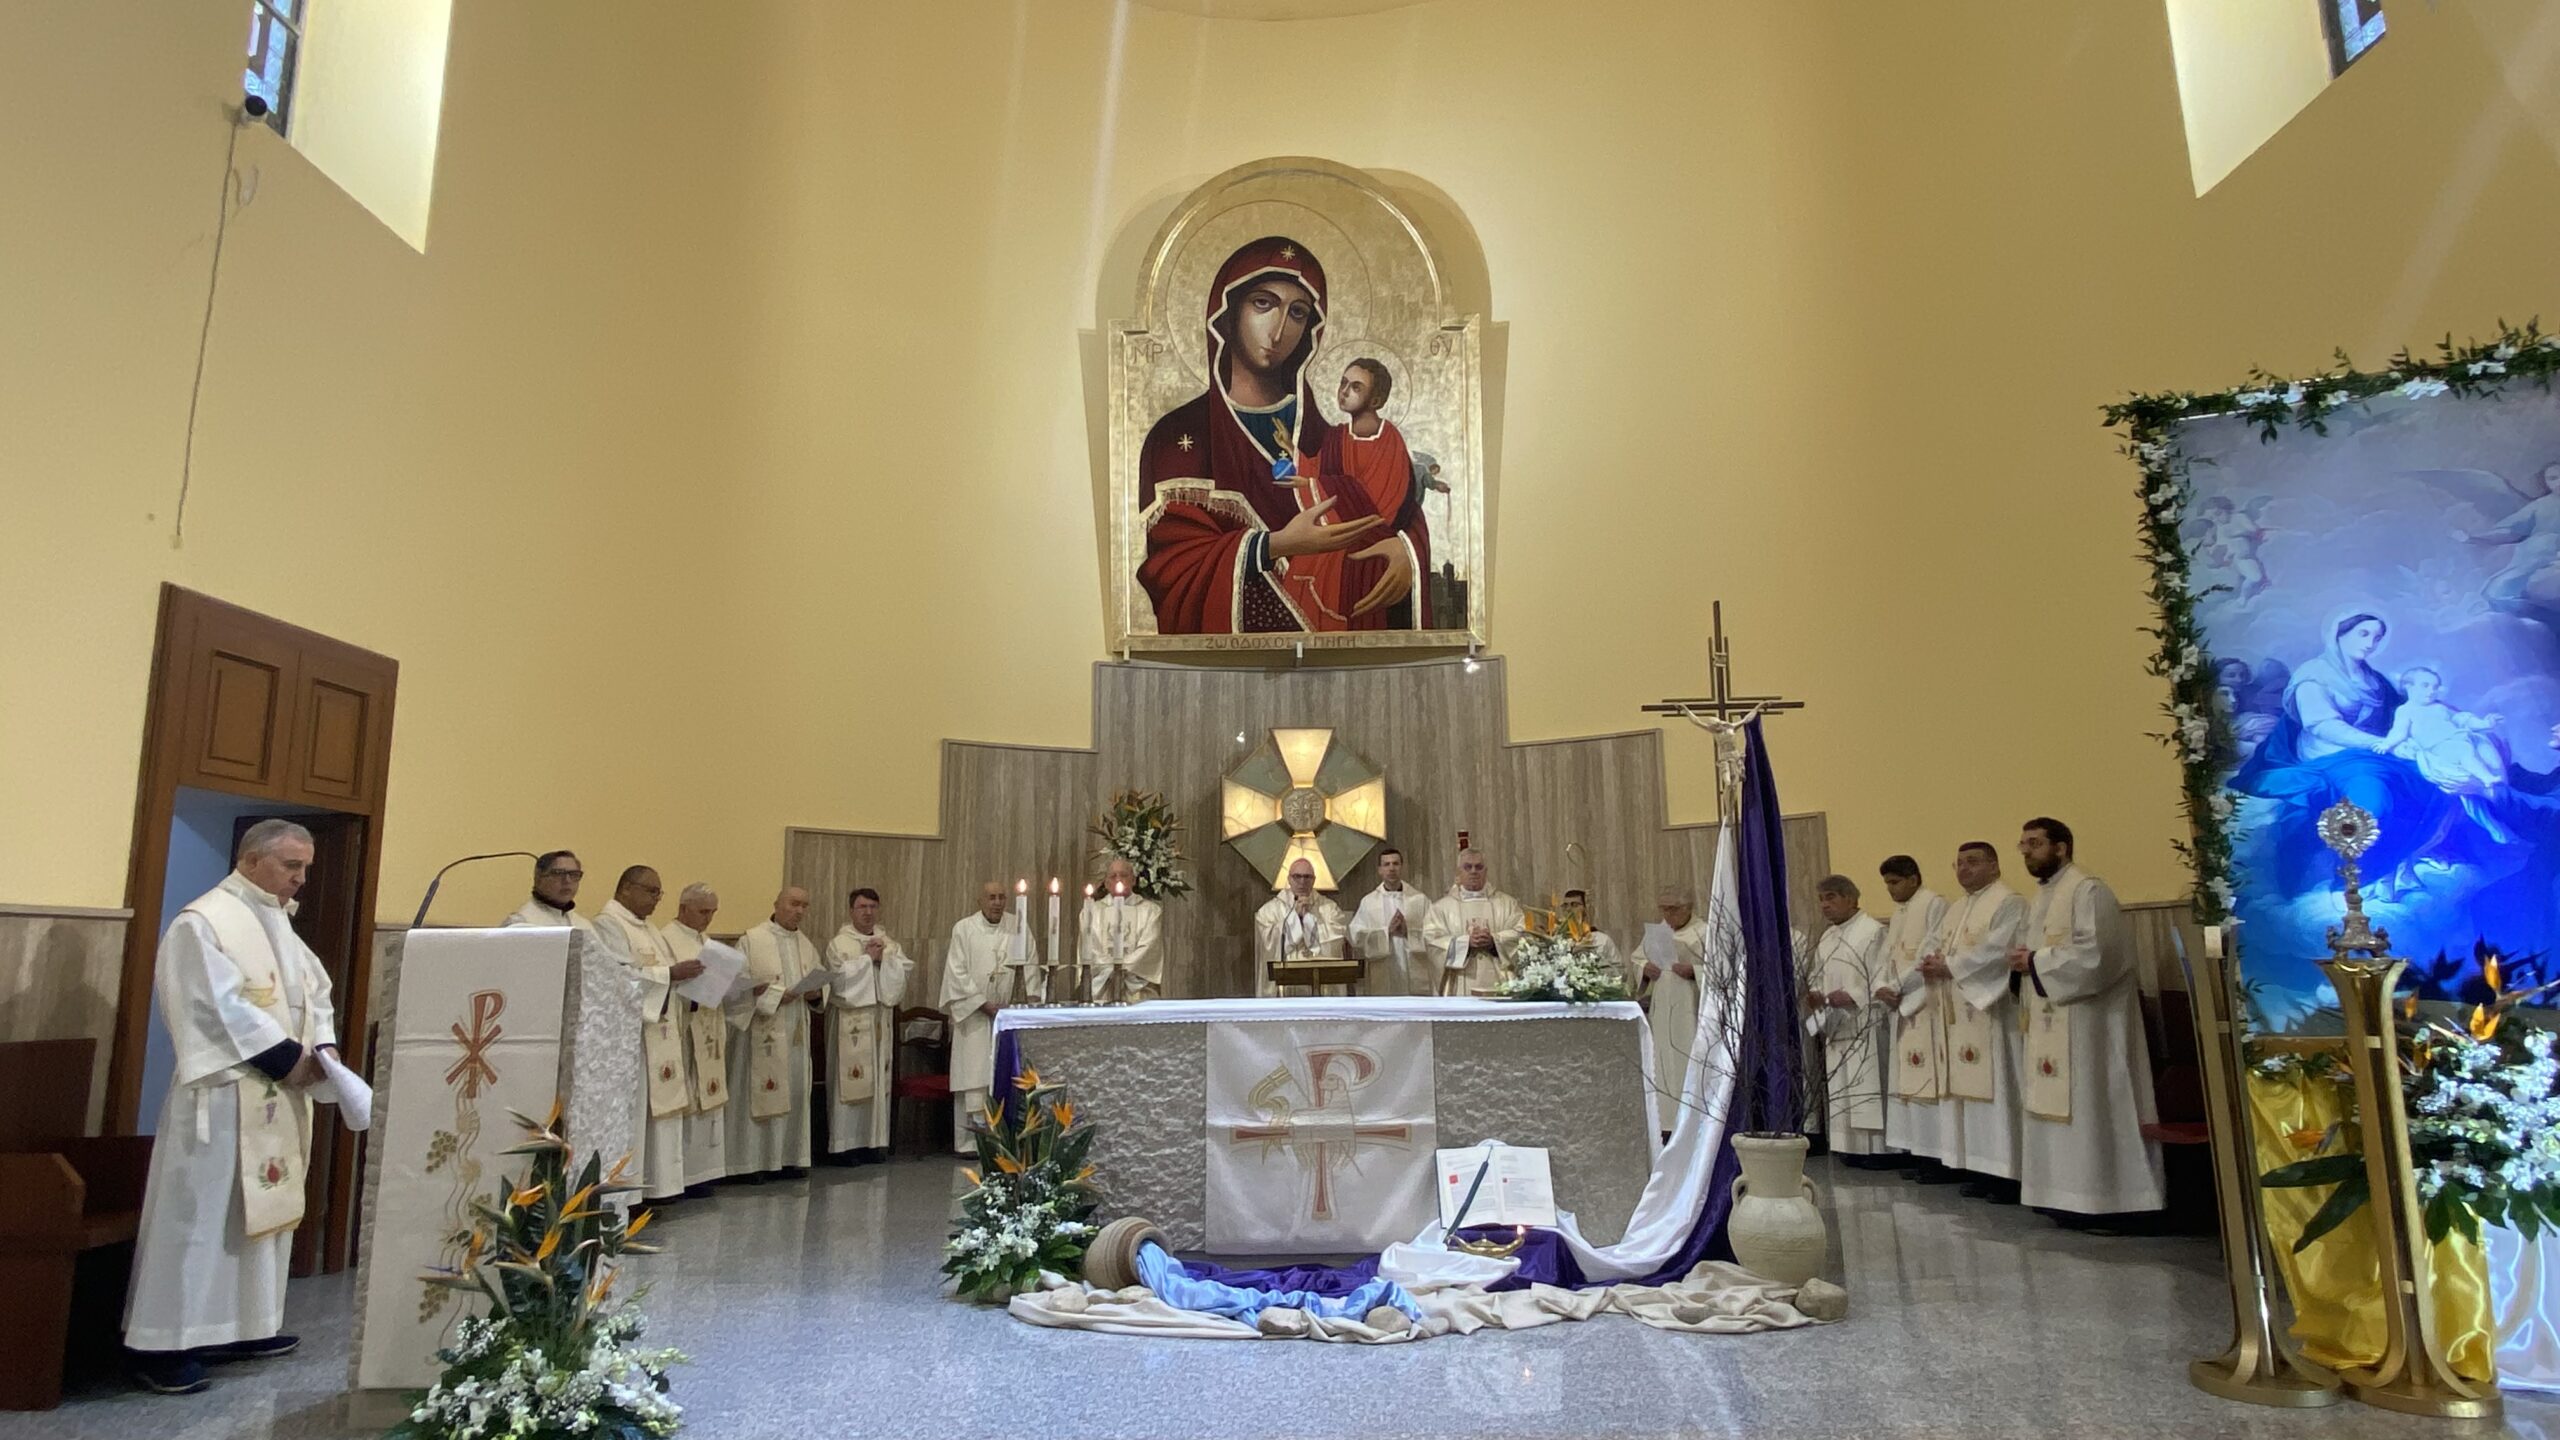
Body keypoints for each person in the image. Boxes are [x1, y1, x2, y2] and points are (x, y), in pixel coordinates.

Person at [123, 820, 340, 1396]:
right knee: (200, 1218)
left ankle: (242, 1325)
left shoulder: (277, 921)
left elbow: (316, 992)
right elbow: (210, 1006)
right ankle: (162, 1344)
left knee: (254, 1217)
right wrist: (287, 1059)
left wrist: (323, 1049)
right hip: (222, 1096)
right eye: (292, 866)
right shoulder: (204, 922)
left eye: (305, 868)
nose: (301, 879)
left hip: (273, 1091)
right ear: (249, 859)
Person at [1134, 236, 1431, 634]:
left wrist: (1405, 551)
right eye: (1263, 304)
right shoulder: (1180, 436)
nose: (1278, 330)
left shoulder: (1325, 438)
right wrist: (1274, 546)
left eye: (1297, 312)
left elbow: (1393, 504)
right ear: (1228, 311)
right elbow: (1171, 566)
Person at [2013, 818, 2166, 1221]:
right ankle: (2063, 1194)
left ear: (2062, 847)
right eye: (2023, 844)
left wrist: (2033, 961)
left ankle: (2108, 1199)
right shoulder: (2042, 897)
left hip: (2090, 1025)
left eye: (2035, 843)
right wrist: (2025, 963)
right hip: (2052, 1016)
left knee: (2093, 1102)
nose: (2026, 851)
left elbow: (2098, 955)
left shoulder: (2089, 890)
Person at [1920, 841, 2029, 1203]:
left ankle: (2007, 1173)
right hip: (1958, 1011)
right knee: (1967, 1093)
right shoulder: (1956, 909)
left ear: (1995, 865)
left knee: (1996, 1090)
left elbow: (1999, 950)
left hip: (1990, 1011)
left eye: (1973, 862)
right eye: (1959, 863)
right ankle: (1978, 1166)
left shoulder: (2009, 902)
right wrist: (1931, 962)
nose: (1964, 869)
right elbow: (1936, 945)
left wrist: (1950, 966)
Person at [590, 866, 703, 1204]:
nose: (656, 900)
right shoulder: (608, 924)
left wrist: (682, 976)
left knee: (659, 1112)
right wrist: (670, 973)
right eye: (651, 891)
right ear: (626, 888)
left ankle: (658, 1186)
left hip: (661, 1030)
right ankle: (631, 1194)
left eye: (659, 893)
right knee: (638, 1114)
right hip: (634, 1039)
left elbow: (660, 974)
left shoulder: (648, 928)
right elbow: (618, 978)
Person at [731, 886, 821, 1181]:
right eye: (794, 904)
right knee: (763, 1089)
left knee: (793, 1090)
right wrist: (772, 997)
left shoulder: (806, 944)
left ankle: (789, 1158)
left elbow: (820, 980)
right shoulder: (752, 940)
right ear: (777, 904)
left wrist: (816, 994)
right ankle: (753, 1164)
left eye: (805, 906)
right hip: (764, 1030)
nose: (800, 911)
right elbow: (738, 988)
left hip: (795, 1030)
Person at [1868, 855, 1949, 1171]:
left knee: (1927, 1077)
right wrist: (1880, 986)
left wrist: (1897, 986)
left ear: (1914, 878)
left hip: (1923, 1003)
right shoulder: (1900, 913)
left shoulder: (1934, 904)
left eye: (1895, 882)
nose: (1890, 889)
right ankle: (1915, 1148)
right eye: (1887, 883)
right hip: (1899, 1004)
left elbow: (1930, 952)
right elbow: (1884, 957)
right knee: (1907, 1081)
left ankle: (1935, 1154)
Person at [1804, 875, 1892, 1166]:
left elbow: (1883, 975)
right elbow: (1816, 972)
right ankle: (1847, 1146)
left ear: (1851, 899)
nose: (1825, 905)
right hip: (1835, 1022)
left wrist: (1854, 995)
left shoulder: (1873, 931)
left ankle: (1877, 1150)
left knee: (1866, 1082)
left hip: (1864, 1019)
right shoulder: (1828, 937)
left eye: (1831, 897)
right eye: (1822, 899)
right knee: (1842, 1084)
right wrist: (1816, 992)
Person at [822, 887, 914, 1164]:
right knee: (849, 1082)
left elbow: (900, 976)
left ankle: (874, 1143)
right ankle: (844, 1146)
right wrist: (867, 961)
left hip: (878, 1024)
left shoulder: (889, 943)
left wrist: (885, 959)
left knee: (876, 1084)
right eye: (862, 907)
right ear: (851, 910)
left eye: (873, 906)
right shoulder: (839, 944)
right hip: (849, 1025)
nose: (868, 912)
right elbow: (837, 983)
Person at [945, 880, 1035, 1154]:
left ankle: (1005, 1140)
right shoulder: (964, 929)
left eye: (1001, 897)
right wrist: (982, 1003)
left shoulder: (1019, 927)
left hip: (1008, 1018)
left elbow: (1030, 967)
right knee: (974, 1074)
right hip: (974, 1017)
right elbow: (956, 972)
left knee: (1004, 1074)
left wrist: (1018, 1005)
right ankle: (971, 1141)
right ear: (980, 901)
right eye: (991, 897)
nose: (997, 902)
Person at [659, 882, 731, 1196]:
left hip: (708, 1028)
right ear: (683, 907)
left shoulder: (706, 941)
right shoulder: (666, 939)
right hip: (684, 1031)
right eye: (703, 911)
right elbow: (663, 981)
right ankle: (684, 1175)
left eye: (713, 912)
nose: (708, 919)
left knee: (708, 1098)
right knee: (687, 1097)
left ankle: (706, 1171)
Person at [1640, 884, 1709, 1127]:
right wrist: (1644, 970)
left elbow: (1723, 971)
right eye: (1663, 910)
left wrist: (1695, 971)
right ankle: (1665, 1123)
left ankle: (1692, 1121)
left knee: (1687, 1060)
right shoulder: (1659, 932)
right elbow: (1639, 958)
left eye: (1673, 910)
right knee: (1663, 1063)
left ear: (1688, 907)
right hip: (1661, 1008)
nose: (1667, 916)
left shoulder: (1704, 932)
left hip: (1690, 1009)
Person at [1422, 848, 1523, 996]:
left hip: (1501, 982)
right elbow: (1432, 941)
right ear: (1458, 872)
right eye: (1468, 867)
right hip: (1459, 986)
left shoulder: (1507, 904)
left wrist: (1494, 941)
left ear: (1486, 871)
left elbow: (1521, 934)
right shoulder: (1440, 908)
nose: (1474, 871)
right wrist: (1465, 943)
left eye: (1479, 867)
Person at [1254, 857, 1348, 995]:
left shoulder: (1329, 908)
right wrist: (1295, 918)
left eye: (1307, 877)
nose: (1302, 882)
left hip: (1321, 986)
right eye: (1297, 876)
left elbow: (1336, 940)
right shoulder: (1270, 910)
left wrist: (1307, 919)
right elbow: (1267, 943)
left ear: (1314, 880)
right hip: (1285, 985)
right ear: (1289, 879)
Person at [1346, 846, 1430, 996]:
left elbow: (1434, 933)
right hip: (1383, 971)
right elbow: (1355, 936)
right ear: (1380, 870)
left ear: (1402, 867)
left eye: (1396, 864)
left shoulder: (1419, 899)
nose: (1392, 868)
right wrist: (1387, 932)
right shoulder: (1369, 901)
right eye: (1387, 864)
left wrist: (1408, 932)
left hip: (1414, 971)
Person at [1080, 856, 1166, 1002]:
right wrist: (1110, 969)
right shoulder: (1091, 911)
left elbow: (1149, 946)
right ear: (1106, 883)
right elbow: (1091, 947)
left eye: (1124, 875)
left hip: (1137, 988)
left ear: (1133, 880)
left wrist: (1122, 968)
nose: (1118, 879)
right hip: (1103, 989)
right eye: (1113, 876)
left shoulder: (1150, 910)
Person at [505, 850, 595, 930]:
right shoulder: (520, 924)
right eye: (558, 873)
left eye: (574, 874)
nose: (567, 880)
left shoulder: (583, 925)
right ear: (539, 878)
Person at [1560, 889, 1628, 988]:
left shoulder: (1602, 940)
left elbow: (1621, 973)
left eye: (1574, 905)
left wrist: (1595, 968)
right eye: (1565, 905)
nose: (1569, 909)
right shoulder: (1556, 941)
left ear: (1585, 909)